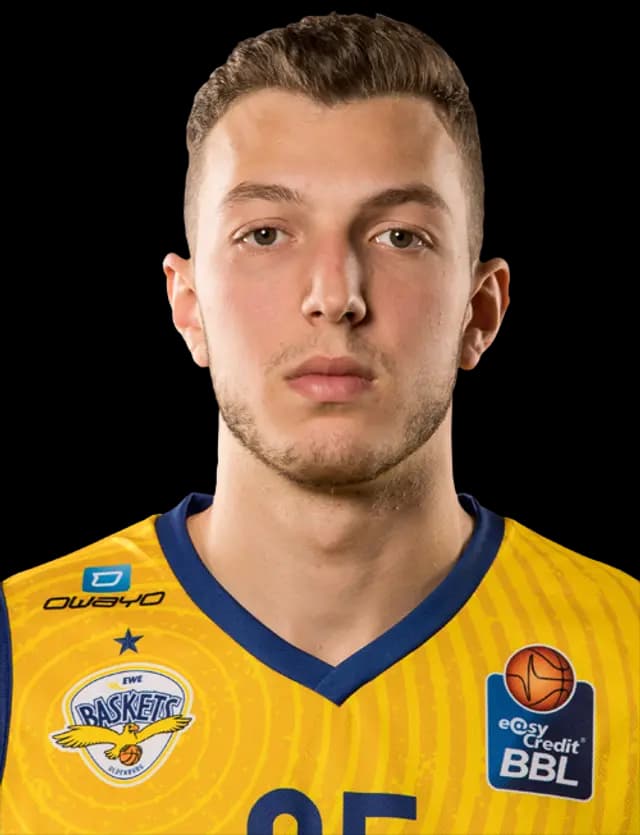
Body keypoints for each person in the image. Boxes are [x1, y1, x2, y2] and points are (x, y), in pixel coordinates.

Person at [1, 11, 637, 835]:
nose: (335, 296)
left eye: (400, 235)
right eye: (265, 233)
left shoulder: (627, 652)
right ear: (187, 306)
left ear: (481, 310)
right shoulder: (21, 652)